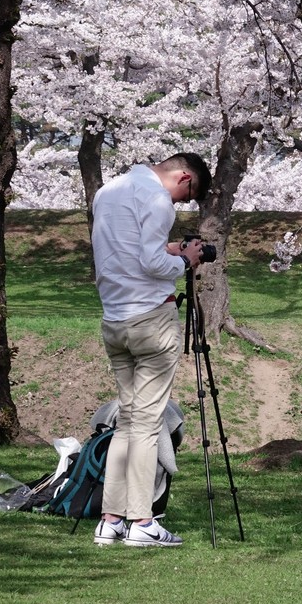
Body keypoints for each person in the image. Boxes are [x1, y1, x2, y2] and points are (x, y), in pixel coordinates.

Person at [90, 152, 212, 548]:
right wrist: (187, 260)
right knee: (146, 423)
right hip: (151, 321)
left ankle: (110, 520)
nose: (180, 203)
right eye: (186, 195)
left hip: (115, 318)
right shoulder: (158, 199)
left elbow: (127, 253)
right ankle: (142, 521)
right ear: (184, 175)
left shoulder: (109, 192)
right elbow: (152, 264)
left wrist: (171, 248)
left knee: (126, 421)